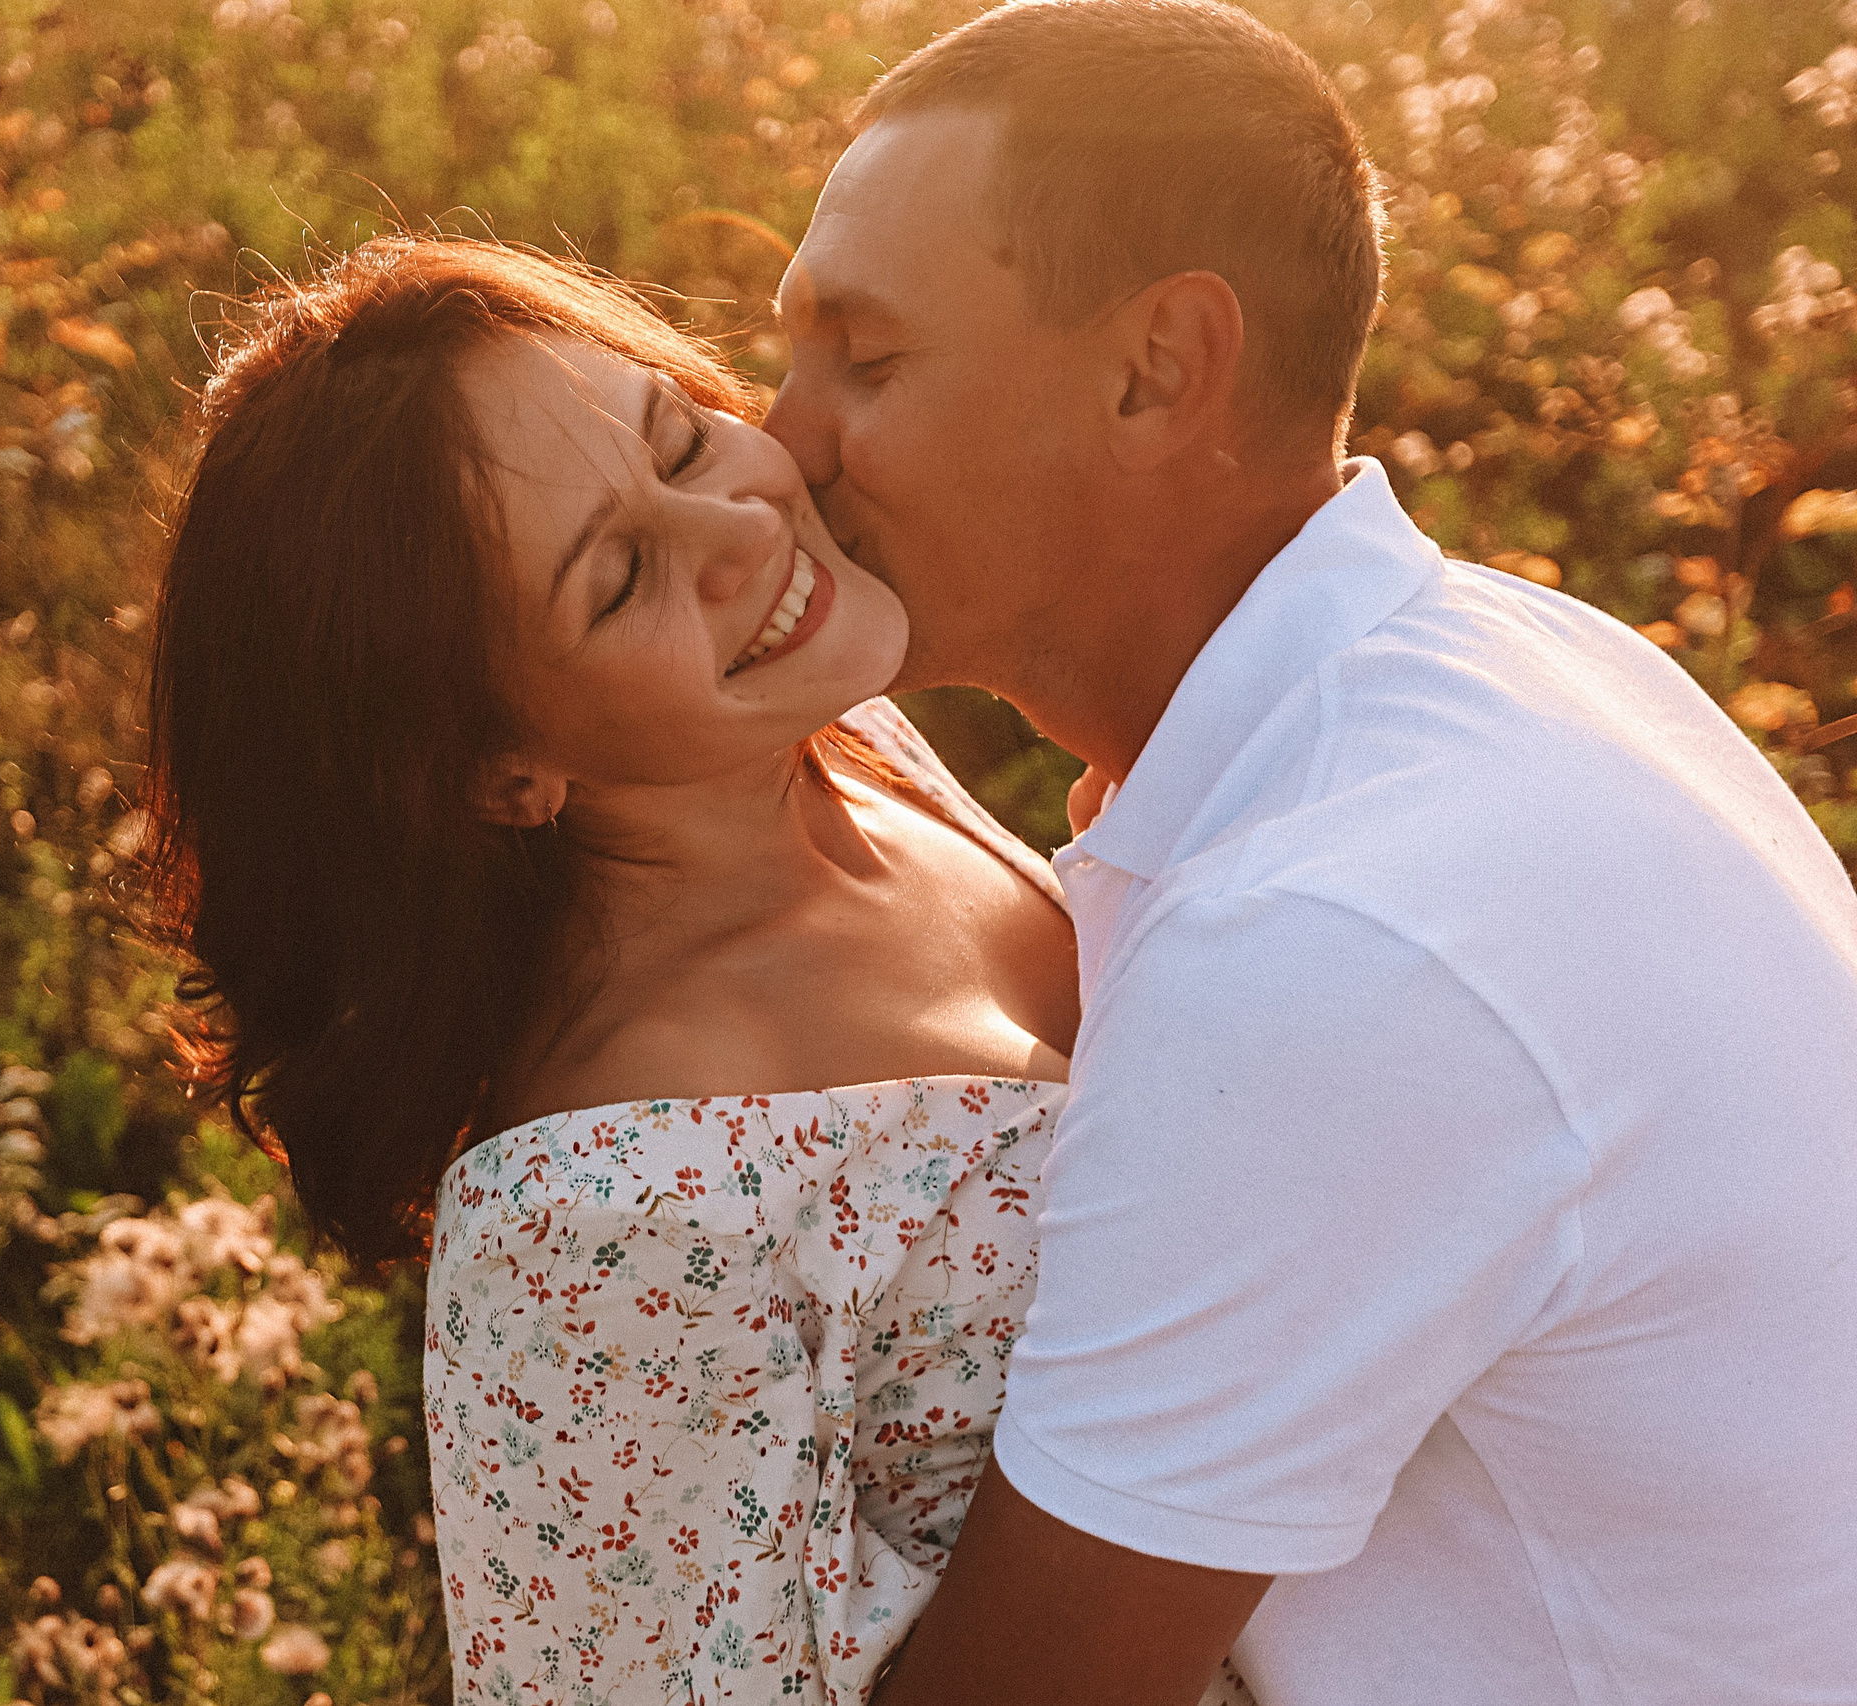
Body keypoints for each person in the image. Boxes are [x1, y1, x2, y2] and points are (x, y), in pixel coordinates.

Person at [763, 3, 1857, 1703]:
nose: (785, 437)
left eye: (869, 358)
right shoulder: (1515, 666)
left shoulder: (1324, 937)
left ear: (1158, 370)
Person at [138, 238, 1257, 1704]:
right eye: (620, 579)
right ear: (496, 769)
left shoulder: (850, 753)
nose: (737, 528)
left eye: (679, 435)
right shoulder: (606, 1219)